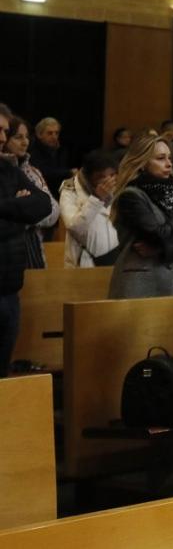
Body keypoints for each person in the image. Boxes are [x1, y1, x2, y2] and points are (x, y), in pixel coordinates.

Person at [108, 135, 173, 299]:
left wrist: (160, 249)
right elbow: (158, 235)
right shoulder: (131, 196)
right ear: (142, 163)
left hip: (170, 281)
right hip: (139, 282)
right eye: (161, 158)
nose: (169, 164)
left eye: (169, 158)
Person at [0, 108, 53, 377]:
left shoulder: (8, 170)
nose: (2, 138)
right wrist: (19, 210)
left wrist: (8, 208)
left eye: (4, 132)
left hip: (10, 289)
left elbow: (44, 205)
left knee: (4, 374)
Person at [5, 116, 60, 264]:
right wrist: (29, 208)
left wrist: (24, 211)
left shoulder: (32, 171)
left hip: (33, 249)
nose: (25, 142)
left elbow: (54, 210)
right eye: (18, 137)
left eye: (27, 137)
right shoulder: (5, 172)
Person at [59, 150, 120, 268]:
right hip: (85, 261)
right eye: (102, 176)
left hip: (114, 257)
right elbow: (74, 227)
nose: (108, 180)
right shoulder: (70, 189)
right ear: (89, 176)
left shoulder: (118, 185)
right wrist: (97, 199)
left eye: (112, 175)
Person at [29, 117, 72, 199]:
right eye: (50, 133)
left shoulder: (60, 150)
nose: (54, 137)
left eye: (56, 133)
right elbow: (43, 171)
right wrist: (68, 172)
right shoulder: (33, 150)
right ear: (39, 134)